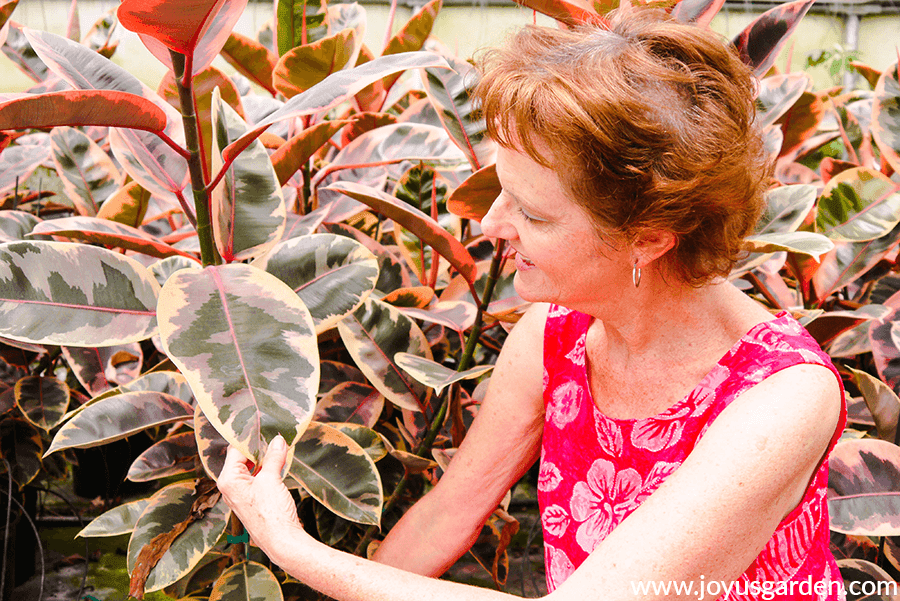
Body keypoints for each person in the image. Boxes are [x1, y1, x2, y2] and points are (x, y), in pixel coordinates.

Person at [217, 7, 846, 601]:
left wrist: (292, 548)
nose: (491, 224)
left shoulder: (783, 398)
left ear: (649, 237)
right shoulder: (556, 334)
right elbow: (447, 515)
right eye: (501, 191)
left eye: (533, 213)